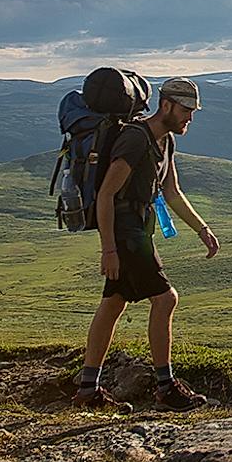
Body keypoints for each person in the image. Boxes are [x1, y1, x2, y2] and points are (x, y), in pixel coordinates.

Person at [73, 77, 220, 413]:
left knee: (113, 303)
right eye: (186, 110)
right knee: (166, 299)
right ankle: (166, 388)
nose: (190, 118)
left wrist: (202, 229)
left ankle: (87, 390)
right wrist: (108, 249)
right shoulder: (136, 140)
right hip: (126, 233)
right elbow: (106, 194)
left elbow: (172, 192)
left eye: (193, 112)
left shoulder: (165, 141)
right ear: (166, 105)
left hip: (138, 228)